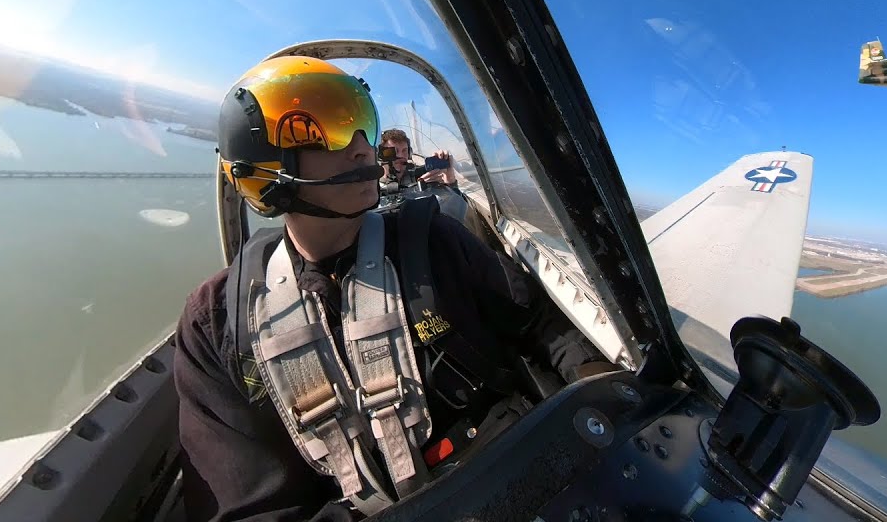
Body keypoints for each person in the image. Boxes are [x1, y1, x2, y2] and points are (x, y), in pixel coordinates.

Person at [174, 56, 616, 521]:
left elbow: (542, 327)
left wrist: (602, 388)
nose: (363, 148)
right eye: (326, 128)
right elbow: (249, 509)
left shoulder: (435, 239)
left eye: (361, 123)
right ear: (262, 160)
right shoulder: (217, 321)